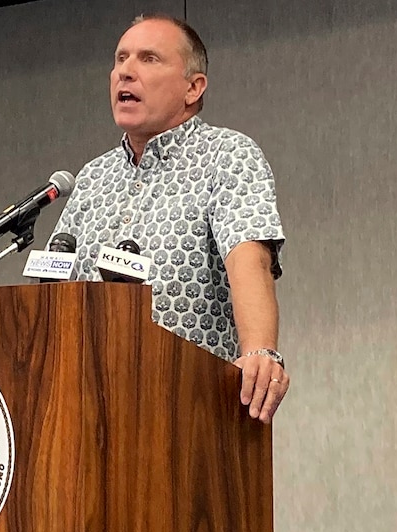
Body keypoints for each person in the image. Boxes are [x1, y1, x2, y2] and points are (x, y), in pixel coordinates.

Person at [48, 14, 290, 423]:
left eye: (148, 59)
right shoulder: (92, 178)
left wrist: (260, 353)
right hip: (85, 413)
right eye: (120, 59)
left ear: (193, 87)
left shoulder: (227, 156)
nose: (126, 71)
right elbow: (55, 293)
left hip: (184, 417)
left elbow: (250, 261)